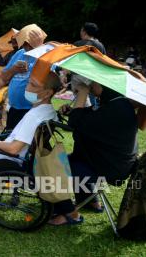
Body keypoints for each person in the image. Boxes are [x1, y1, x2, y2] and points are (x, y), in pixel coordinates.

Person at [51, 81, 138, 226]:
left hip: (110, 168)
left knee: (55, 168)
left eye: (94, 82)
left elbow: (77, 122)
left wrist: (82, 94)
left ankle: (69, 214)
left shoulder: (117, 108)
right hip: (110, 162)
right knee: (72, 161)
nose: (91, 84)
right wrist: (72, 110)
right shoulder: (115, 103)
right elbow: (91, 115)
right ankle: (90, 202)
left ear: (105, 85)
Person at [0, 24, 48, 129]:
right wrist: (14, 69)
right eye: (23, 43)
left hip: (33, 109)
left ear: (36, 41)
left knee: (29, 142)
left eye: (27, 43)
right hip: (14, 108)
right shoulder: (20, 53)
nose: (25, 46)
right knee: (10, 137)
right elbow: (3, 77)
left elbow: (51, 84)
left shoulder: (46, 56)